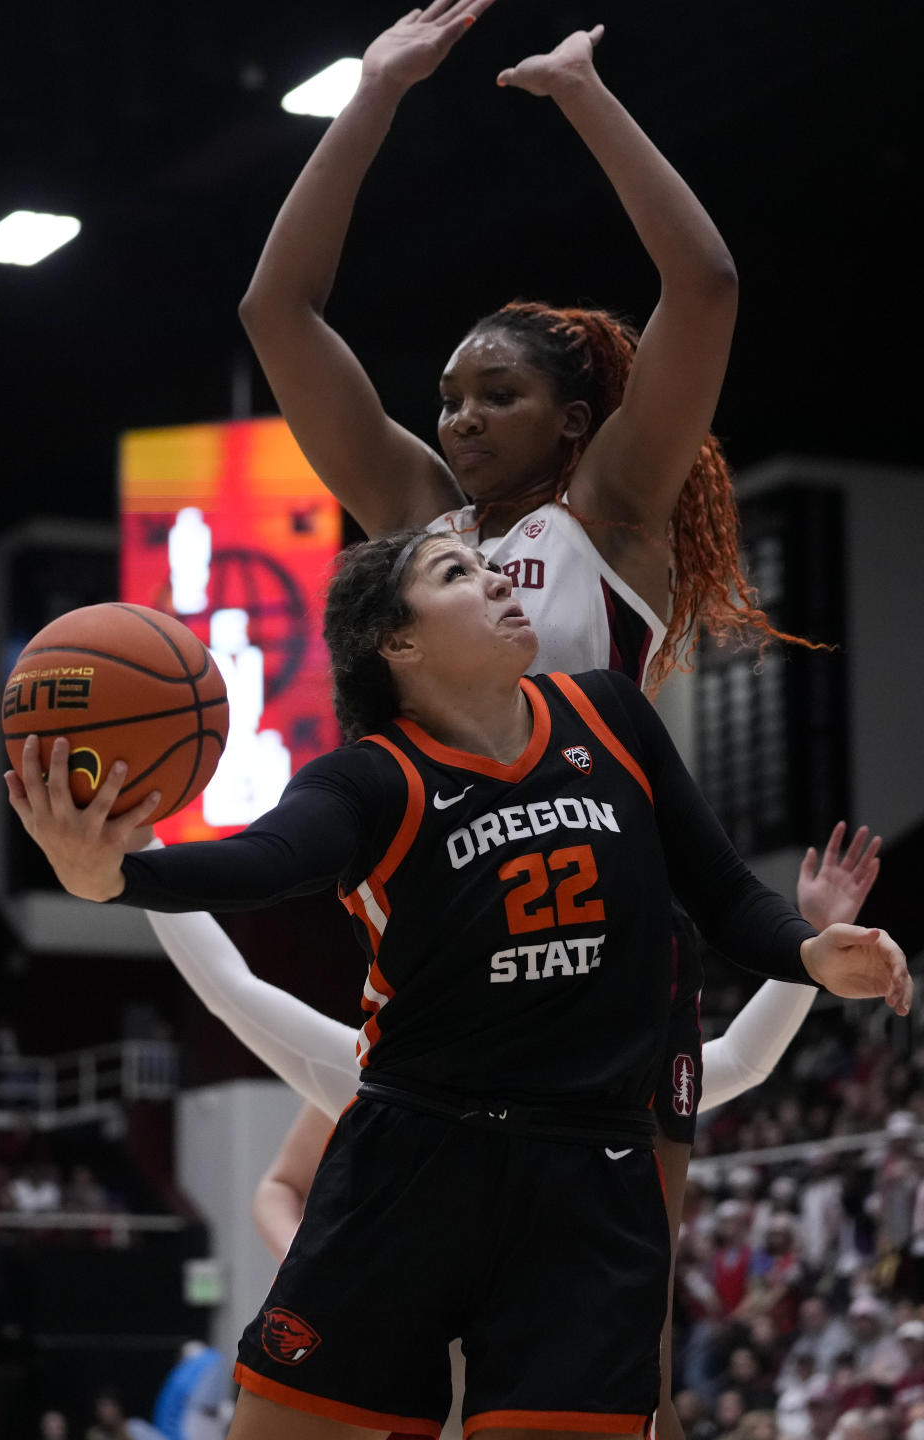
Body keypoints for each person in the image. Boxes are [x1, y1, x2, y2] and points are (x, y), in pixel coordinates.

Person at [239, 6, 833, 1435]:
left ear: (573, 421)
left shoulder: (609, 518)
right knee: (395, 1363)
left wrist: (582, 95)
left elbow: (704, 283)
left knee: (597, 1365)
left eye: (494, 395)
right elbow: (279, 316)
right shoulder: (406, 525)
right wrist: (372, 96)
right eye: (445, 398)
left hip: (608, 988)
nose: (455, 421)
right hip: (444, 967)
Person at [5, 531, 912, 1440]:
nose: (494, 577)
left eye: (484, 564)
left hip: (587, 1177)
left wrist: (807, 952)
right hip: (413, 1165)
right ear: (395, 644)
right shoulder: (370, 781)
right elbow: (262, 863)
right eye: (456, 573)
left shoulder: (610, 715)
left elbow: (719, 890)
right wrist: (118, 879)